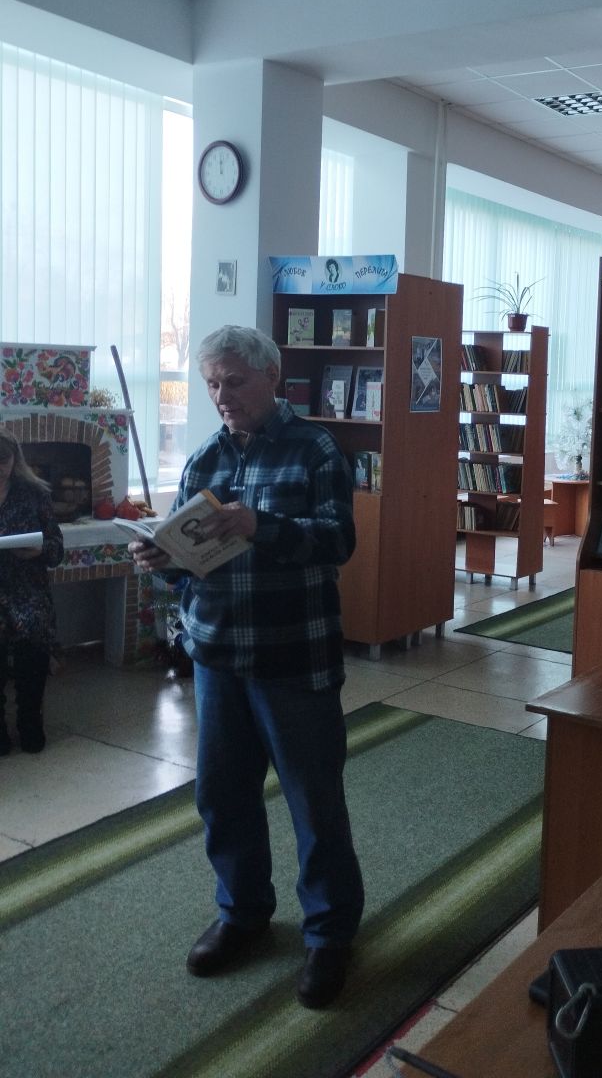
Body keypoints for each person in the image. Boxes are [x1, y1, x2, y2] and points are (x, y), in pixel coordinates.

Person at [127, 325, 363, 1009]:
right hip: (218, 657)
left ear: (271, 376)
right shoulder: (204, 458)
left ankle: (330, 934)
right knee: (223, 796)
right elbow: (187, 568)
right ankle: (243, 913)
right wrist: (162, 560)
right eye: (211, 383)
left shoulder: (315, 449)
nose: (221, 395)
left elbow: (338, 540)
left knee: (314, 802)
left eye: (233, 381)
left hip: (293, 657)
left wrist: (260, 526)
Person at [0, 432, 64, 754]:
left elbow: (56, 549)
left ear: (15, 460)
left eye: (3, 460)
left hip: (26, 586)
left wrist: (38, 551)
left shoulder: (35, 493)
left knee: (34, 625)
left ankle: (29, 717)